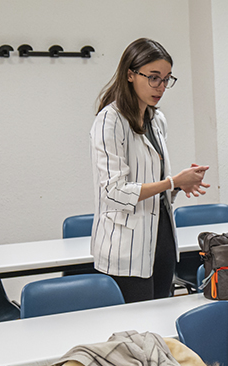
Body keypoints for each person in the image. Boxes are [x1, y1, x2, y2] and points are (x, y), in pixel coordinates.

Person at [90, 38, 210, 303]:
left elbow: (154, 181)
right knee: (136, 330)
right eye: (154, 78)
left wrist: (179, 184)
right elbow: (113, 192)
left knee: (160, 320)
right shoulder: (110, 120)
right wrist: (171, 182)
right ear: (130, 75)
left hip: (162, 236)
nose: (161, 87)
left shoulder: (157, 120)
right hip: (126, 245)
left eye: (167, 79)